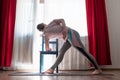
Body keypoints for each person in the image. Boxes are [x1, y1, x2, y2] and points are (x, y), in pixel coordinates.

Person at [37, 19, 102, 75]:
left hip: (71, 35)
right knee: (61, 52)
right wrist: (64, 29)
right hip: (69, 37)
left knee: (83, 52)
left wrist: (49, 49)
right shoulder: (51, 24)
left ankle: (98, 69)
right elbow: (62, 20)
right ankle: (52, 69)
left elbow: (47, 49)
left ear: (41, 30)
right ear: (44, 24)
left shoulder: (45, 35)